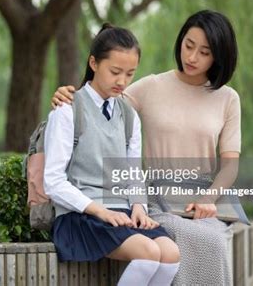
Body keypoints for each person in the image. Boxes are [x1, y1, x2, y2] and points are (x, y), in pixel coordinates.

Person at [51, 10, 241, 285]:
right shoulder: (150, 86)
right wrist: (64, 97)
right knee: (172, 238)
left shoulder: (228, 99)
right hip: (156, 200)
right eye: (189, 45)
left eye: (204, 52)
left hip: (201, 202)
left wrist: (209, 199)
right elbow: (99, 99)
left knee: (213, 241)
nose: (192, 57)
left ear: (219, 55)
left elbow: (230, 165)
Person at [44, 23, 180, 286]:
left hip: (121, 213)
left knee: (171, 254)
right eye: (115, 71)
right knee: (149, 253)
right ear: (93, 63)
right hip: (80, 216)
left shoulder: (129, 116)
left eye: (130, 74)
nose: (122, 81)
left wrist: (139, 207)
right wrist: (101, 212)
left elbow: (133, 174)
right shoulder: (67, 110)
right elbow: (53, 181)